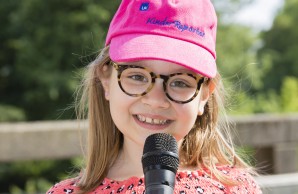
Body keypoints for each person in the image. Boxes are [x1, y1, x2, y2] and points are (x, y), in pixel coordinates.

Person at [47, 0, 262, 193]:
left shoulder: (235, 189)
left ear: (204, 94)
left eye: (180, 82)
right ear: (106, 79)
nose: (156, 100)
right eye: (137, 76)